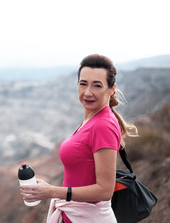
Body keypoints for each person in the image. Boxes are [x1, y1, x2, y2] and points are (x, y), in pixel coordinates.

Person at [20, 54, 138, 223]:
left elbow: (105, 190)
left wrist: (52, 191)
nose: (88, 92)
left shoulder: (102, 125)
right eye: (83, 84)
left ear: (111, 89)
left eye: (97, 85)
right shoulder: (92, 118)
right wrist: (48, 189)